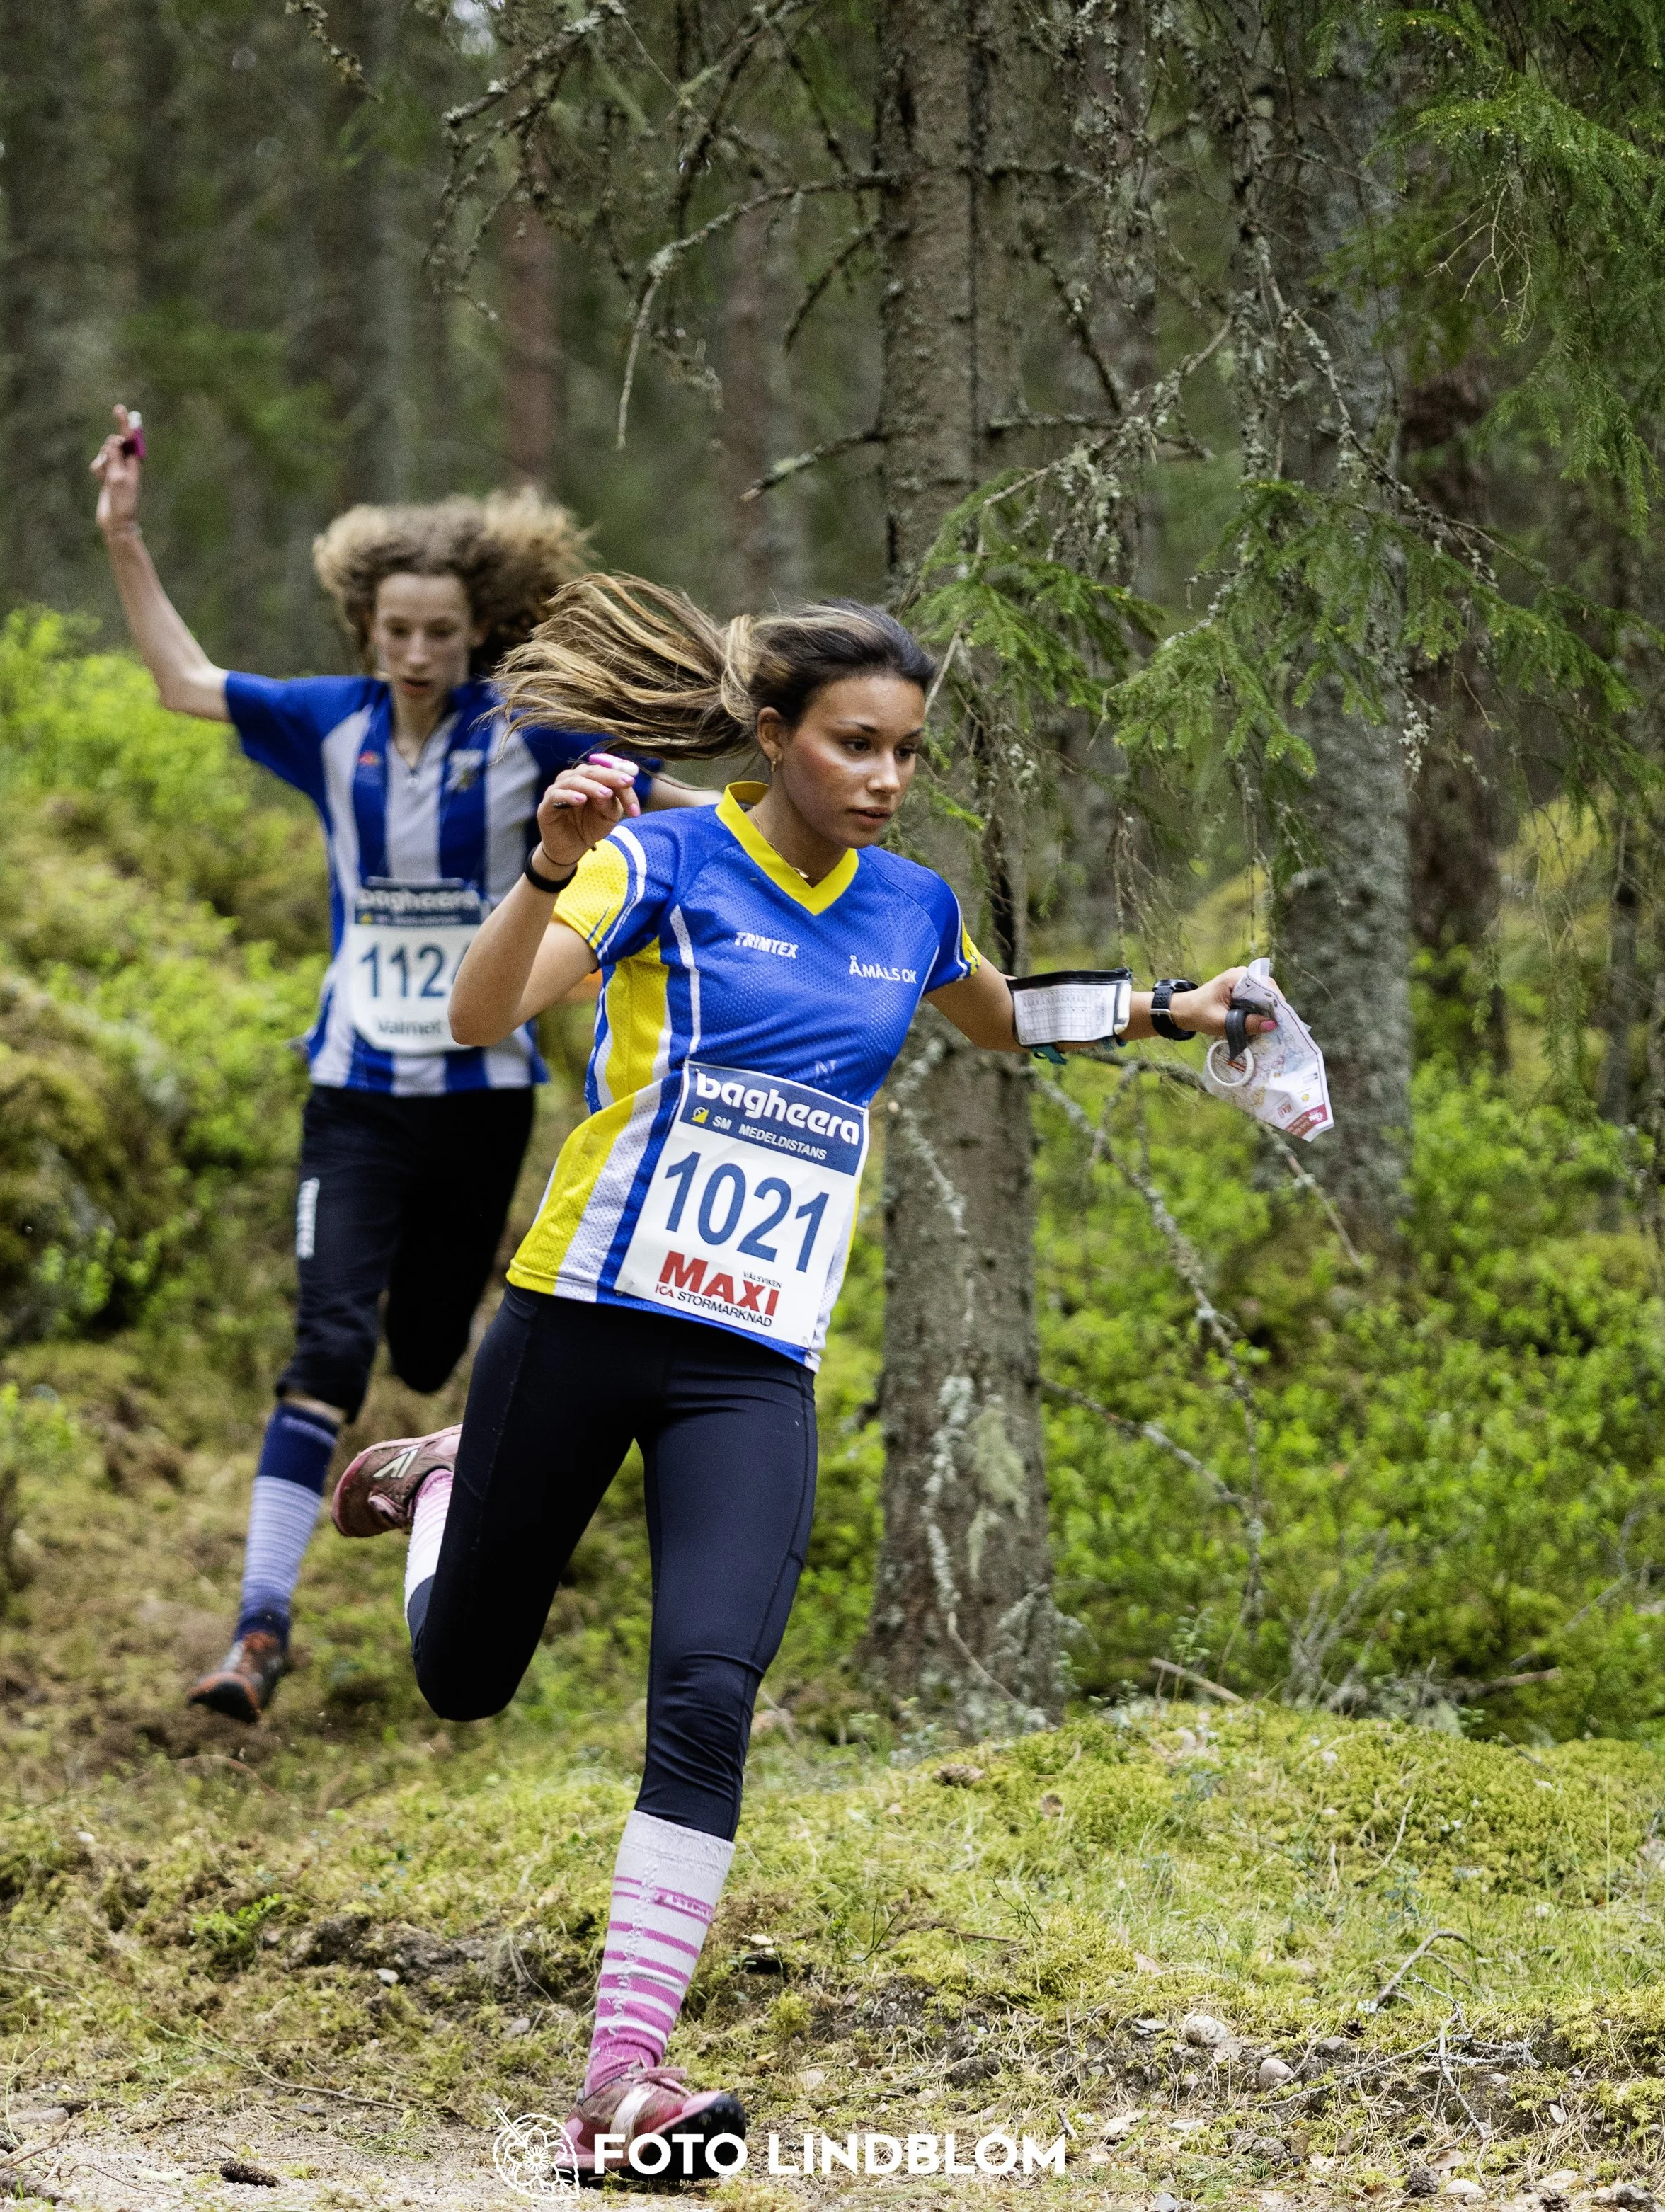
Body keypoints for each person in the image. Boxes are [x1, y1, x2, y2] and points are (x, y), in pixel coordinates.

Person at [326, 575, 1272, 2176]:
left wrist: (1172, 1007)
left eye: (905, 752)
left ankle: (622, 2079)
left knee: (706, 1690)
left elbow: (996, 1024)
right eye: (854, 745)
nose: (886, 779)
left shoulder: (909, 907)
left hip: (749, 1364)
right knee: (463, 1677)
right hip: (578, 1318)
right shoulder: (658, 857)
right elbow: (484, 1007)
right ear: (773, 735)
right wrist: (551, 867)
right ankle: (440, 1481)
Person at [90, 409, 711, 1721]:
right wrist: (124, 538)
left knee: (429, 1348)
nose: (418, 653)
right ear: (363, 630)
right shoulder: (328, 726)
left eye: (441, 632)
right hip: (353, 1095)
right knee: (323, 1346)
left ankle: (428, 1457)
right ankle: (258, 1630)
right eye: (396, 632)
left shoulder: (528, 735)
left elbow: (680, 809)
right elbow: (182, 683)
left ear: (475, 629)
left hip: (481, 1103)